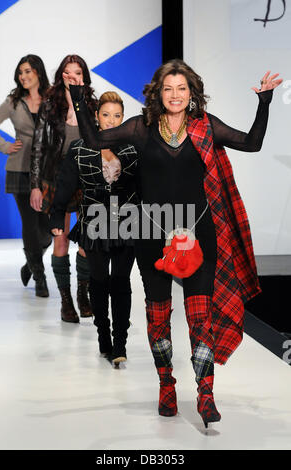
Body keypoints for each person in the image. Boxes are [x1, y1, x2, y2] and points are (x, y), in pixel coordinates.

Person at [67, 60, 282, 427]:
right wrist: (77, 92)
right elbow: (94, 139)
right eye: (169, 88)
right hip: (151, 235)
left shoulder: (206, 127)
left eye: (182, 88)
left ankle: (206, 394)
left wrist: (264, 102)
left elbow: (252, 143)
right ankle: (167, 384)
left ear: (192, 92)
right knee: (158, 317)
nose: (176, 95)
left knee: (201, 319)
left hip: (198, 234)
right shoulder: (141, 127)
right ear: (157, 93)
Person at [49, 91, 140, 365]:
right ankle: (104, 336)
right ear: (96, 117)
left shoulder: (134, 147)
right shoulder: (79, 148)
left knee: (121, 283)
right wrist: (56, 216)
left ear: (123, 118)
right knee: (99, 282)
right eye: (106, 115)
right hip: (93, 224)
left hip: (127, 223)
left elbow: (147, 184)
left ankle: (120, 343)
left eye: (117, 116)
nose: (112, 121)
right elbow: (65, 185)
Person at [30, 54, 98, 323]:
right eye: (67, 73)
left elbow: (101, 140)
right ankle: (66, 302)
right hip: (56, 179)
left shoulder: (92, 104)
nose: (72, 77)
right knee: (60, 237)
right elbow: (38, 146)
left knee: (86, 240)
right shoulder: (50, 106)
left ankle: (83, 294)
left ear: (84, 76)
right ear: (61, 77)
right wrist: (35, 185)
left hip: (87, 180)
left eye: (77, 73)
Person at [0, 54, 51, 297]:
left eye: (28, 71)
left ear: (38, 72)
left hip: (47, 170)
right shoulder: (13, 101)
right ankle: (40, 276)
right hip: (19, 168)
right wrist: (5, 147)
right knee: (29, 222)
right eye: (20, 73)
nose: (23, 76)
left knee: (47, 228)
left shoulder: (52, 99)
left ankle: (30, 264)